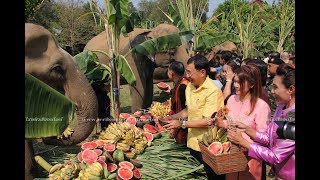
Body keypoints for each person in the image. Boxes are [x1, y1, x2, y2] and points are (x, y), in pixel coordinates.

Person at [227, 64, 295, 180]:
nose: (272, 91)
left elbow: (275, 156)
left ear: (291, 89)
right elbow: (268, 138)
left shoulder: (292, 118)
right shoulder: (281, 107)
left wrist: (243, 142)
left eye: (275, 87)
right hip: (279, 173)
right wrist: (246, 129)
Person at [164, 54, 225, 180]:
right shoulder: (190, 87)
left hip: (207, 144)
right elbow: (188, 110)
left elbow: (209, 121)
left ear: (202, 72)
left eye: (189, 72)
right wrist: (171, 117)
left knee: (214, 177)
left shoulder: (213, 91)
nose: (186, 76)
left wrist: (182, 124)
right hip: (192, 141)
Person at [216, 64, 271, 180]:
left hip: (251, 160)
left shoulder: (262, 107)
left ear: (252, 84)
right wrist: (221, 123)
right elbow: (231, 123)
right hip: (231, 156)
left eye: (240, 82)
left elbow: (264, 139)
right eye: (235, 81)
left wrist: (244, 143)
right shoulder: (231, 100)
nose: (236, 85)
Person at [166, 61, 189, 144]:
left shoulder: (183, 87)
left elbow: (186, 111)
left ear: (171, 73)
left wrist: (175, 128)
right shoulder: (181, 83)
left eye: (168, 71)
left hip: (182, 128)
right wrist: (171, 91)